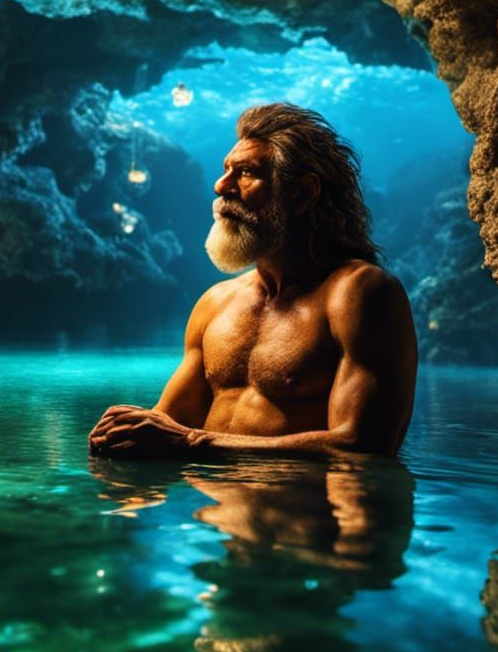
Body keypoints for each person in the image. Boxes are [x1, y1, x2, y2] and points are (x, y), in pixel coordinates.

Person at [89, 102, 417, 459]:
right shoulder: (216, 303)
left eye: (245, 172)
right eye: (225, 170)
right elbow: (170, 424)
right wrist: (128, 430)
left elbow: (364, 447)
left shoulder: (359, 294)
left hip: (305, 511)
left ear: (303, 192)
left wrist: (193, 442)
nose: (221, 186)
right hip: (213, 513)